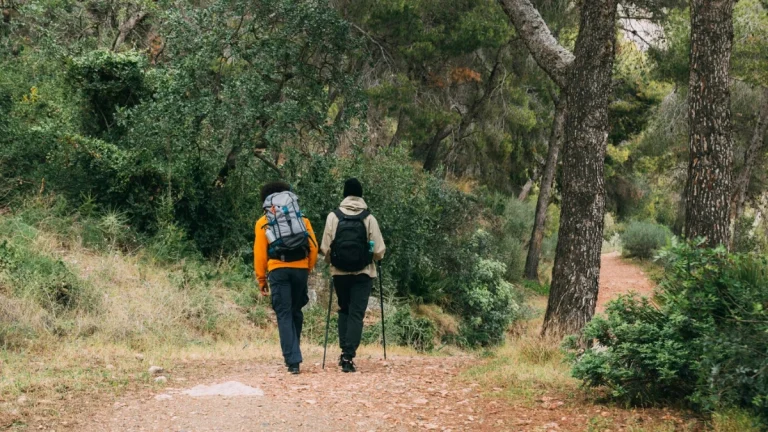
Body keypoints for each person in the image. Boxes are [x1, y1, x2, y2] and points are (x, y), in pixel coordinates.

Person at [320, 178, 386, 373]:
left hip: (340, 273)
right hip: (363, 273)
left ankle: (344, 350)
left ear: (344, 194)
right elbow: (379, 250)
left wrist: (332, 262)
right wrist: (372, 257)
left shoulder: (333, 216)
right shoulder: (369, 218)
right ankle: (348, 356)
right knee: (356, 314)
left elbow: (325, 248)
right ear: (361, 195)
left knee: (344, 310)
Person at [254, 181, 318, 375]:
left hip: (278, 270)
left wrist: (261, 279)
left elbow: (260, 254)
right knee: (295, 310)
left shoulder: (263, 221)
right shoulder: (301, 218)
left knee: (284, 313)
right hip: (300, 269)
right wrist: (307, 268)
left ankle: (293, 360)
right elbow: (313, 247)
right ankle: (293, 353)